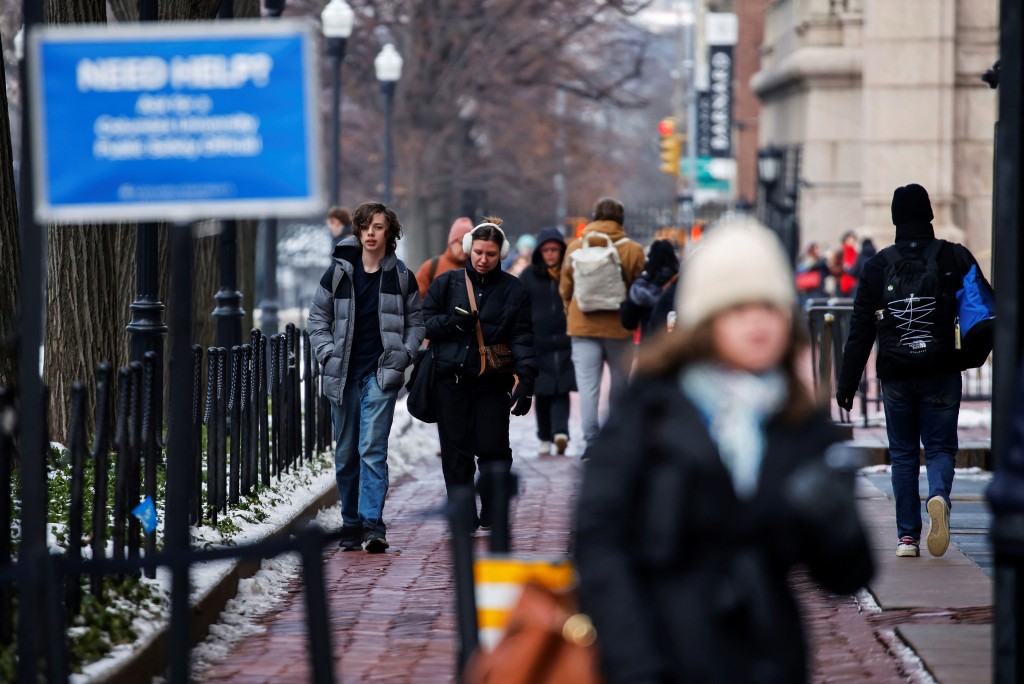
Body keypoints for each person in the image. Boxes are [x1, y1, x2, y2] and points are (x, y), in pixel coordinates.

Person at [575, 217, 874, 684]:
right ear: (705, 319)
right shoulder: (649, 409)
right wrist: (633, 661)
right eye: (737, 309)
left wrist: (834, 519)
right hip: (664, 653)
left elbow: (845, 575)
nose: (757, 323)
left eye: (769, 308)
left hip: (767, 657)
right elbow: (598, 542)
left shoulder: (796, 419)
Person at [837, 183, 988, 558]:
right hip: (941, 370)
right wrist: (969, 356)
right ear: (930, 216)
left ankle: (907, 537)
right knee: (939, 448)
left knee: (903, 454)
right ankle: (938, 496)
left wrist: (847, 384)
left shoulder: (877, 265)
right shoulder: (954, 257)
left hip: (896, 375)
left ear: (894, 219)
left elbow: (860, 330)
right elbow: (984, 309)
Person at [307, 201, 424, 553]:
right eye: (365, 227)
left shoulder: (401, 276)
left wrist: (402, 355)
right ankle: (351, 522)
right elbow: (317, 320)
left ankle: (373, 525)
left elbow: (416, 322)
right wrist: (328, 354)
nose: (370, 234)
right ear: (357, 232)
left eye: (377, 227)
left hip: (380, 375)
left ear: (389, 232)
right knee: (345, 454)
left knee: (371, 450)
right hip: (342, 377)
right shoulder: (338, 274)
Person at [423, 218, 537, 530]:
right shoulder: (447, 283)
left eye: (490, 253)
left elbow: (523, 337)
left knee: (494, 449)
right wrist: (453, 323)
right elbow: (424, 322)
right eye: (478, 253)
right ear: (469, 250)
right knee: (456, 453)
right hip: (451, 380)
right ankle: (462, 514)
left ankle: (493, 508)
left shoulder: (515, 290)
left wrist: (526, 380)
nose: (483, 259)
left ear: (501, 254)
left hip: (492, 382)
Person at [559, 197, 645, 450]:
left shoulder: (575, 247)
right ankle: (617, 439)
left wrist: (572, 313)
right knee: (620, 384)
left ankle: (591, 442)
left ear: (594, 217)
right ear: (621, 219)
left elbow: (565, 289)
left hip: (582, 326)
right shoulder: (633, 250)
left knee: (588, 388)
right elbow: (637, 290)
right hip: (620, 328)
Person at [518, 228, 575, 456]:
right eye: (546, 250)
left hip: (565, 339)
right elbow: (520, 306)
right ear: (539, 252)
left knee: (562, 388)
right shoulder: (529, 275)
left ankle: (560, 432)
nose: (551, 254)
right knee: (542, 390)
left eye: (555, 250)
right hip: (538, 341)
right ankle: (544, 436)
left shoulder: (570, 273)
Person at [620, 239, 680, 339]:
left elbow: (628, 322)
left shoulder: (640, 288)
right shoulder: (678, 285)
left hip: (648, 344)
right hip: (674, 344)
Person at [415, 217, 475, 299]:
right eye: (461, 243)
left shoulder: (476, 268)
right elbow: (416, 300)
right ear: (452, 242)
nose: (465, 248)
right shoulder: (431, 266)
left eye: (469, 245)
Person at [837, 230, 860, 296]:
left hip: (853, 284)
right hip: (841, 283)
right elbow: (833, 267)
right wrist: (843, 268)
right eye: (850, 238)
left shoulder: (856, 254)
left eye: (853, 239)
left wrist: (850, 269)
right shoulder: (841, 252)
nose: (852, 241)